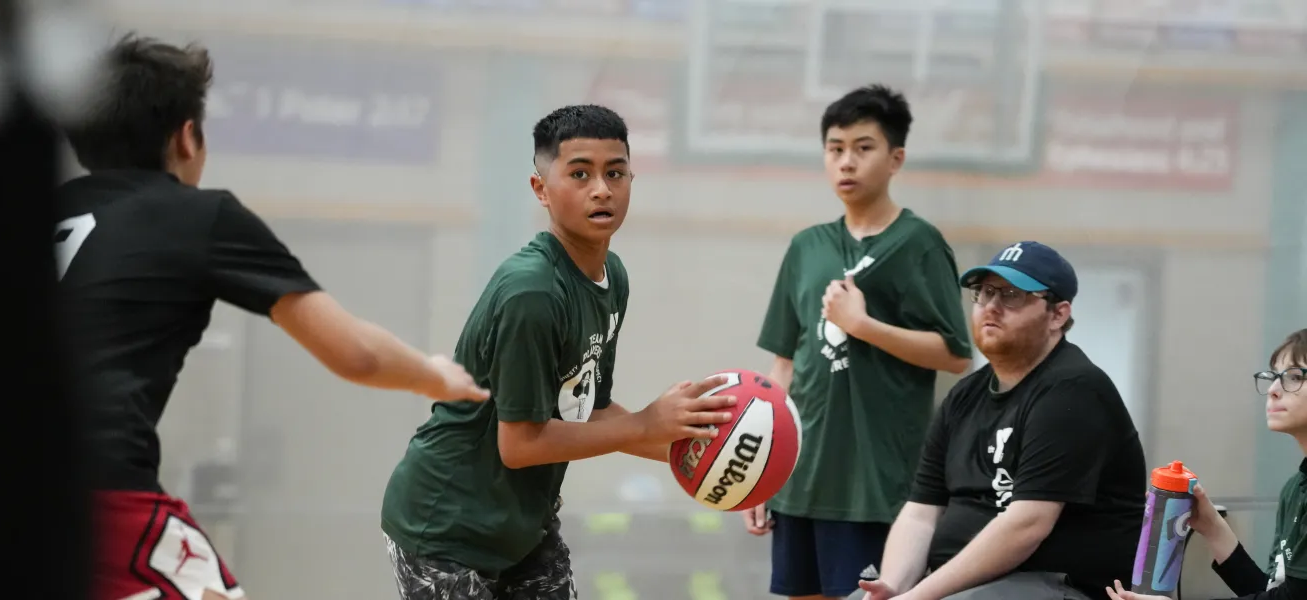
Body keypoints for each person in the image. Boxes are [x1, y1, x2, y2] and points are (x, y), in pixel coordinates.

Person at [54, 34, 489, 600]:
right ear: (187, 137)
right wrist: (434, 375)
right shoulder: (200, 216)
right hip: (97, 495)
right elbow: (355, 353)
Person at [378, 104, 738, 600]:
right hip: (445, 530)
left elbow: (589, 409)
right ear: (541, 189)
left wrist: (700, 456)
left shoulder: (612, 277)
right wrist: (645, 424)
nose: (602, 189)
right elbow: (520, 444)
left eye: (616, 173)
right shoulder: (533, 292)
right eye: (580, 174)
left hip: (522, 526)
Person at [749, 83, 974, 600]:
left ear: (896, 158)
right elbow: (784, 364)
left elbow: (955, 355)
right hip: (800, 480)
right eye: (835, 148)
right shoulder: (806, 246)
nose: (846, 161)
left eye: (863, 147)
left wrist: (864, 325)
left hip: (874, 488)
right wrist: (763, 467)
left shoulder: (918, 243)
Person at [849, 241, 1146, 600]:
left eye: (1012, 295)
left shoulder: (1074, 390)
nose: (991, 306)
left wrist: (918, 597)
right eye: (985, 292)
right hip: (968, 586)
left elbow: (1027, 524)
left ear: (1057, 315)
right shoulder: (963, 397)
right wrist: (894, 587)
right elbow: (921, 513)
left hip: (1058, 585)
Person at [1106, 330, 1307, 600]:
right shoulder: (1295, 488)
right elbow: (1271, 593)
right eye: (1273, 377)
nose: (1272, 390)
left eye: (1294, 377)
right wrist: (1212, 526)